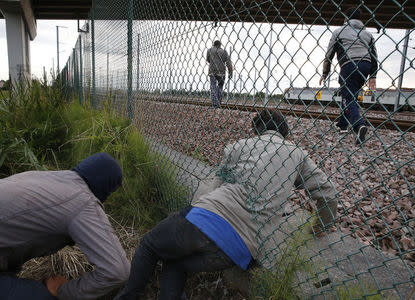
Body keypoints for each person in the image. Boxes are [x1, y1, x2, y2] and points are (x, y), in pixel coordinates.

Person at [114, 109, 337, 299]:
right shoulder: (296, 154)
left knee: (150, 245)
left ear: (257, 130)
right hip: (239, 250)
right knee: (176, 262)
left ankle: (127, 296)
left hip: (207, 219)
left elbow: (213, 183)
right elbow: (327, 192)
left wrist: (194, 212)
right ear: (284, 132)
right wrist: (321, 226)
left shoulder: (240, 146)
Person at [0, 153, 130, 300]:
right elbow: (118, 271)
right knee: (41, 296)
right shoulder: (83, 202)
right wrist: (63, 291)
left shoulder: (49, 177)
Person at [320, 7, 378, 145]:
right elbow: (374, 55)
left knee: (347, 97)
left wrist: (325, 72)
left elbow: (329, 54)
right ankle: (342, 125)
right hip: (366, 65)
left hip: (349, 64)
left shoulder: (338, 32)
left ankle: (359, 125)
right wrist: (373, 75)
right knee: (350, 95)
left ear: (346, 19)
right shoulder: (368, 35)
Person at [206, 40, 233, 108]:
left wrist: (213, 61)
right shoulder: (224, 52)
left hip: (212, 71)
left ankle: (214, 104)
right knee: (220, 87)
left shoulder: (209, 50)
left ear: (213, 44)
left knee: (213, 86)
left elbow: (208, 60)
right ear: (220, 45)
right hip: (221, 72)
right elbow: (228, 63)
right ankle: (218, 103)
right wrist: (230, 72)